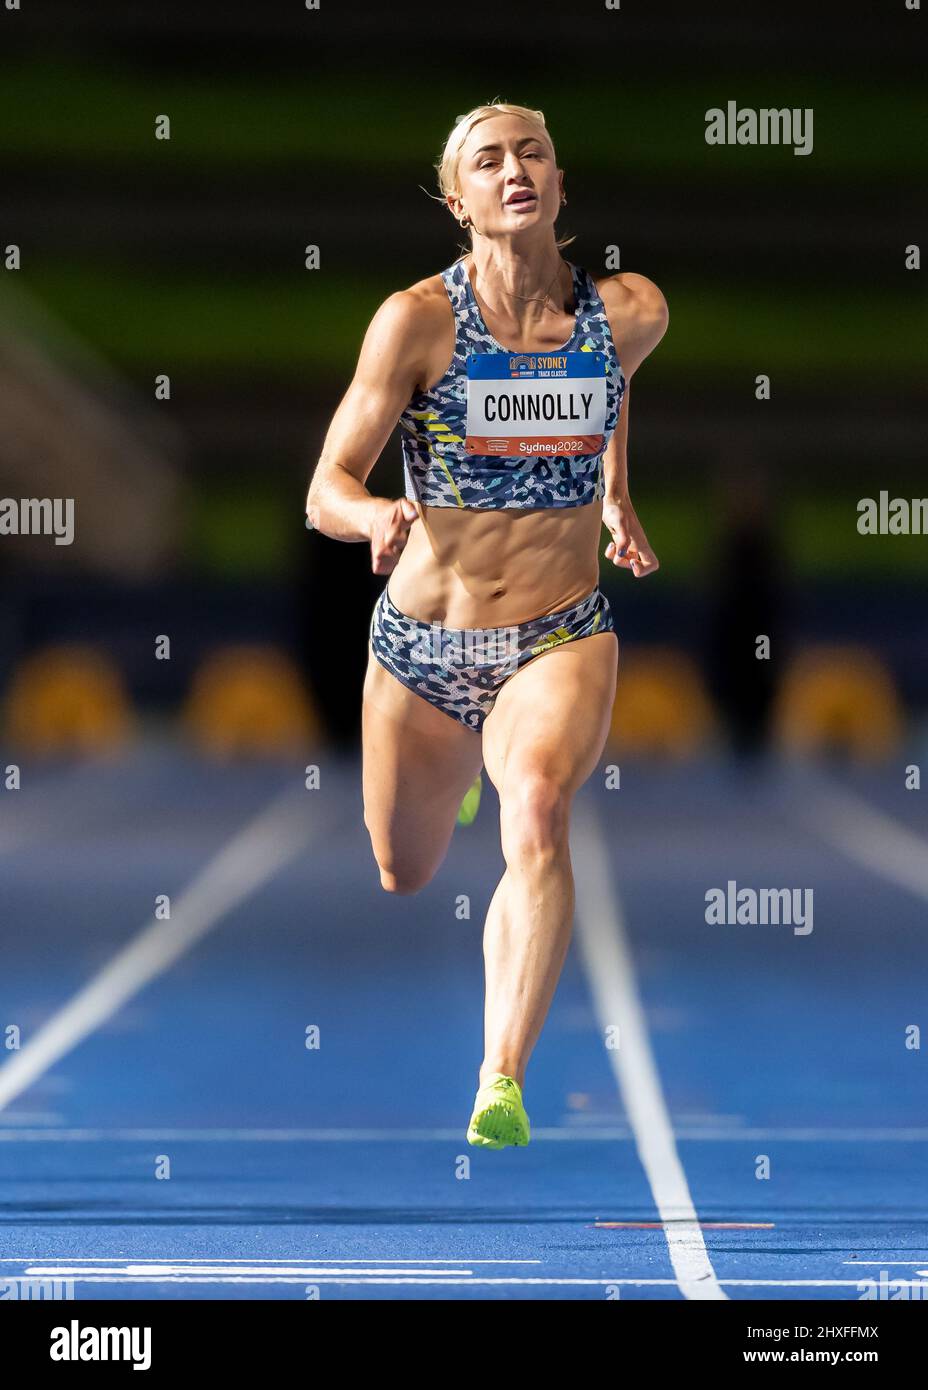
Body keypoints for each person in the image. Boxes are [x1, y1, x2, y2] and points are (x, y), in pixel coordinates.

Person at [306, 101, 667, 1148]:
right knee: (399, 868)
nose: (515, 170)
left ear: (560, 185)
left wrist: (612, 492)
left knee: (542, 808)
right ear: (455, 197)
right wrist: (373, 512)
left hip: (557, 633)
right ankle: (455, 774)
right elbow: (324, 484)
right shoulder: (416, 321)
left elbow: (607, 383)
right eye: (487, 160)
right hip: (424, 647)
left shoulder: (629, 311)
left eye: (534, 153)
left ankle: (498, 1074)